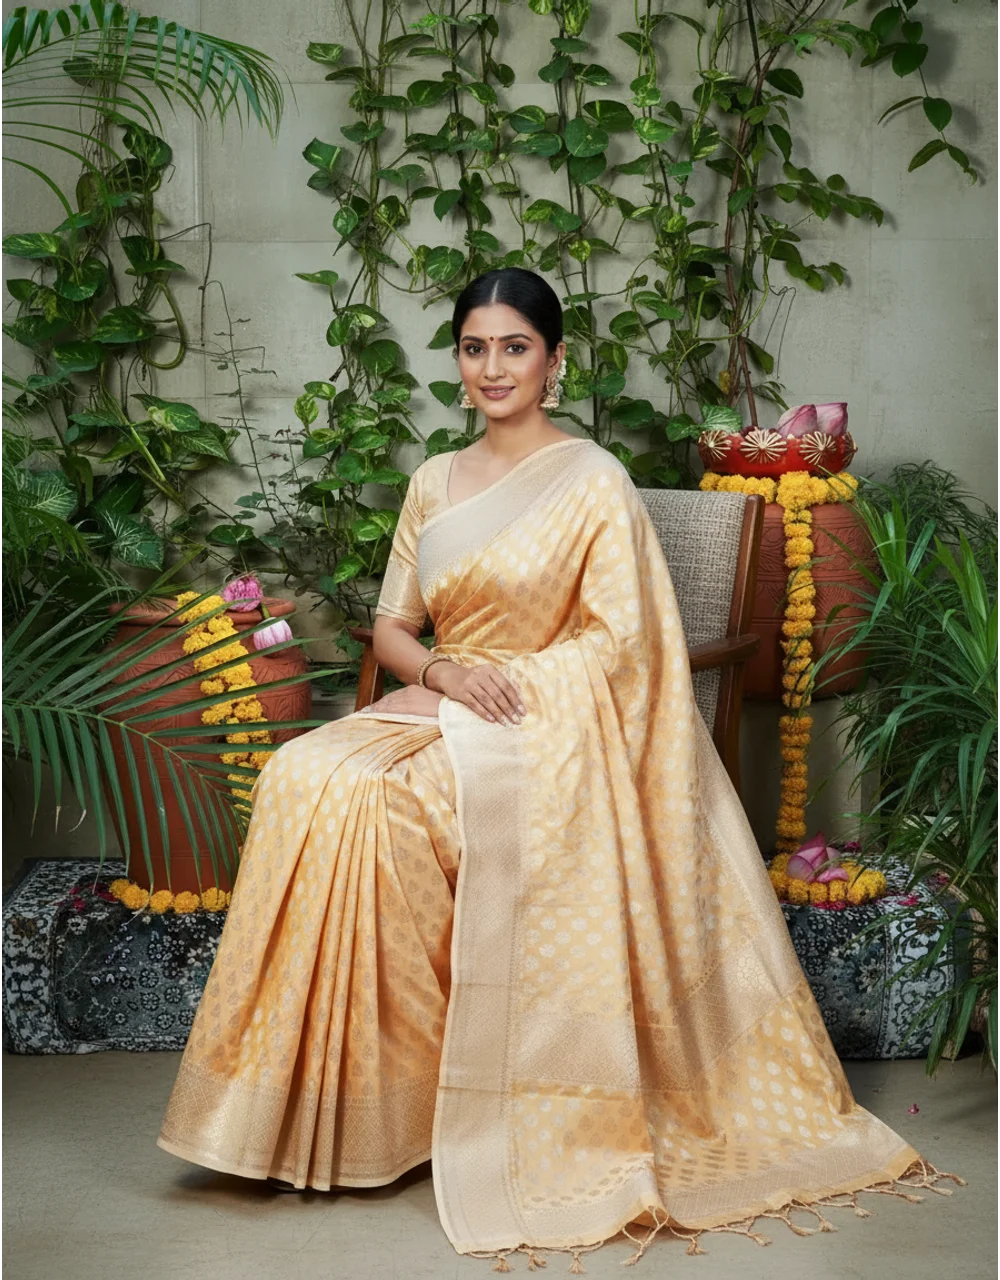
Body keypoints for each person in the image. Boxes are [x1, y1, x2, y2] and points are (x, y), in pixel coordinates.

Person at [158, 268, 960, 1268]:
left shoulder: (591, 480)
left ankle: (425, 1106)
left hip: (548, 729)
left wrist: (497, 693)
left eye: (515, 347)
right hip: (448, 700)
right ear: (458, 361)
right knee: (301, 776)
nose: (492, 367)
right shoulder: (433, 482)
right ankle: (313, 1111)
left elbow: (624, 645)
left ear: (554, 360)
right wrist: (446, 676)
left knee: (374, 799)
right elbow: (394, 628)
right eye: (475, 347)